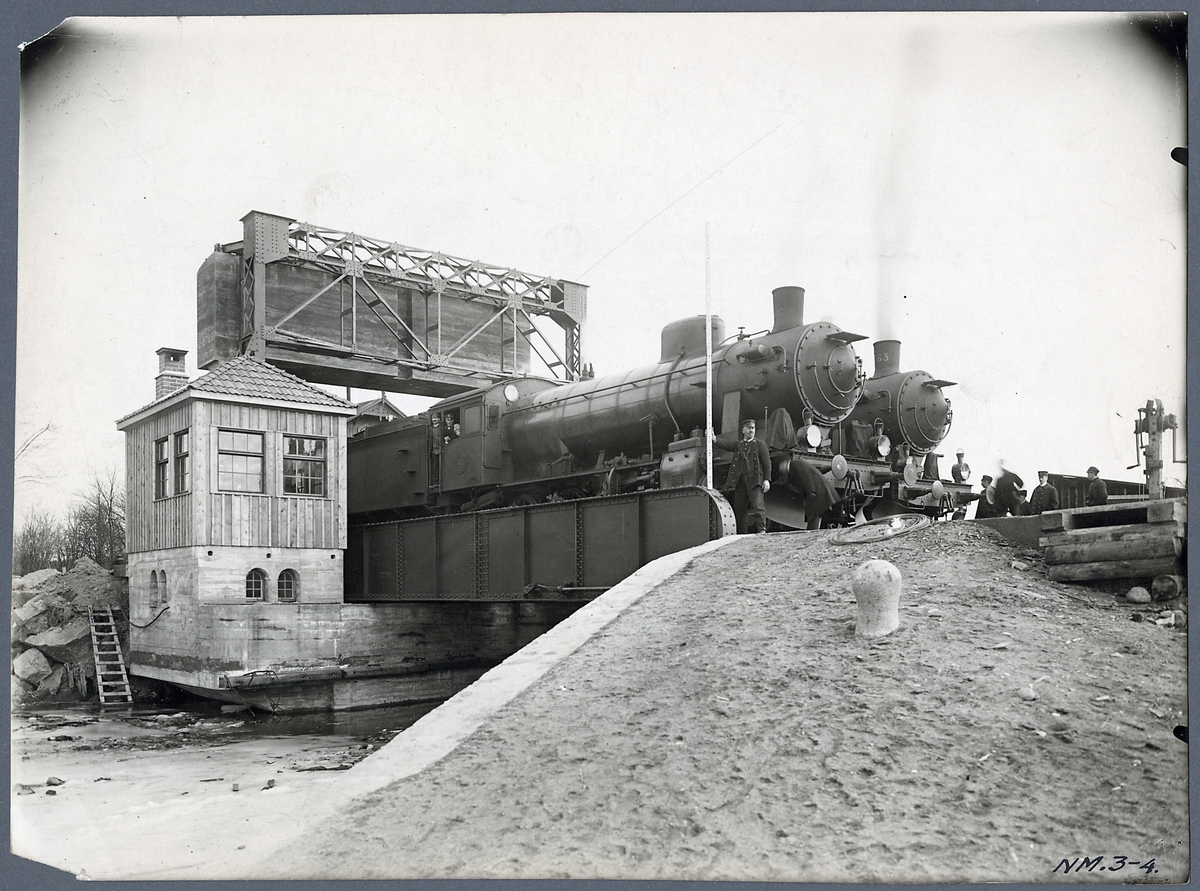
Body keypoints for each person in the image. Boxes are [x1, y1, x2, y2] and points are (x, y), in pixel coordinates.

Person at [713, 419, 772, 534]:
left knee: (758, 506)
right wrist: (714, 439)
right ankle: (742, 533)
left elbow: (767, 463)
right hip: (740, 481)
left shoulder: (760, 444)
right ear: (743, 430)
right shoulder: (738, 445)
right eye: (749, 428)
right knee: (740, 508)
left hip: (755, 480)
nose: (751, 430)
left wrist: (766, 479)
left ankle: (762, 530)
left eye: (753, 428)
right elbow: (726, 445)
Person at [786, 454, 841, 530]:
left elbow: (810, 488)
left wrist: (808, 498)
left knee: (814, 520)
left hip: (816, 495)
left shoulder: (797, 466)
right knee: (817, 518)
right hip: (820, 493)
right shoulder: (801, 466)